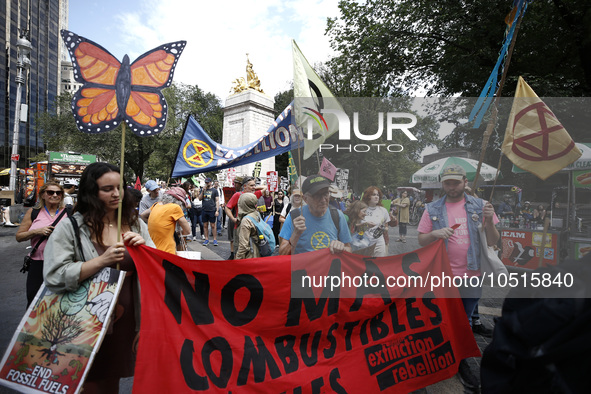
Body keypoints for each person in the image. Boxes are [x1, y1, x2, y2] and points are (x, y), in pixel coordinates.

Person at [44, 162, 154, 393]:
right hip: (84, 323)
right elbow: (54, 276)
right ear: (91, 192)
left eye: (119, 187)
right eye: (107, 189)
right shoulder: (72, 226)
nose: (116, 194)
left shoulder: (136, 224)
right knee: (87, 382)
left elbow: (157, 270)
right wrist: (100, 261)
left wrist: (145, 252)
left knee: (111, 381)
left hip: (126, 322)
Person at [417, 164, 499, 390]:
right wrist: (434, 233)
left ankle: (460, 361)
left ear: (465, 182)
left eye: (456, 182)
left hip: (472, 275)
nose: (451, 187)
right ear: (442, 183)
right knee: (443, 318)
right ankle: (442, 357)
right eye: (447, 183)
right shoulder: (432, 208)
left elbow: (493, 241)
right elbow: (422, 239)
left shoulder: (482, 206)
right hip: (442, 274)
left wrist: (490, 220)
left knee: (464, 321)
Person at [16, 181, 69, 306]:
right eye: (50, 192)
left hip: (62, 263)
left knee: (60, 301)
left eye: (58, 192)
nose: (55, 195)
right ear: (43, 195)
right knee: (34, 299)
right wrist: (37, 231)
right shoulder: (33, 213)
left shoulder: (68, 213)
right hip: (38, 263)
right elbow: (19, 237)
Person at [279, 175, 352, 255]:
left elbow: (348, 249)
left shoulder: (337, 216)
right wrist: (295, 234)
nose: (323, 199)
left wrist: (341, 248)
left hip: (330, 267)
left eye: (326, 193)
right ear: (305, 199)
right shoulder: (294, 217)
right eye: (317, 195)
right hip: (302, 267)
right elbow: (282, 254)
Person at [225, 176, 265, 259]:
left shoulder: (254, 194)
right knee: (239, 250)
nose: (254, 187)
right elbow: (227, 207)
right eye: (251, 185)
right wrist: (233, 219)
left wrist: (253, 187)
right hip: (240, 227)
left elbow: (266, 188)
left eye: (254, 185)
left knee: (253, 250)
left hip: (253, 227)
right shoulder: (238, 195)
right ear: (244, 186)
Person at [142, 187, 191, 254]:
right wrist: (179, 233)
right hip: (167, 252)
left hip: (153, 249)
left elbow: (142, 215)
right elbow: (187, 231)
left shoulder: (156, 205)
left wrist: (154, 224)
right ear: (178, 201)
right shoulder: (175, 207)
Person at [361, 186, 391, 257]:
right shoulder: (361, 209)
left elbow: (386, 227)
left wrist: (382, 229)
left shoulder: (383, 210)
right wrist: (365, 225)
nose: (376, 197)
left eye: (377, 195)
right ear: (367, 196)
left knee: (378, 265)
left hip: (379, 244)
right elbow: (355, 226)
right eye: (374, 195)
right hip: (364, 243)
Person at [235, 193, 263, 259]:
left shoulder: (246, 220)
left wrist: (237, 259)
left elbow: (243, 246)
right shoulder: (256, 213)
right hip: (257, 252)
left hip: (250, 256)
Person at [199, 177, 219, 246]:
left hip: (212, 210)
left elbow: (217, 201)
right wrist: (202, 191)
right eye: (206, 182)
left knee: (213, 225)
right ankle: (206, 239)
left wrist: (217, 210)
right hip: (204, 209)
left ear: (211, 182)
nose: (207, 183)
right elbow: (199, 198)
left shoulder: (214, 190)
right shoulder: (203, 189)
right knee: (205, 225)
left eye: (208, 182)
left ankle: (215, 239)